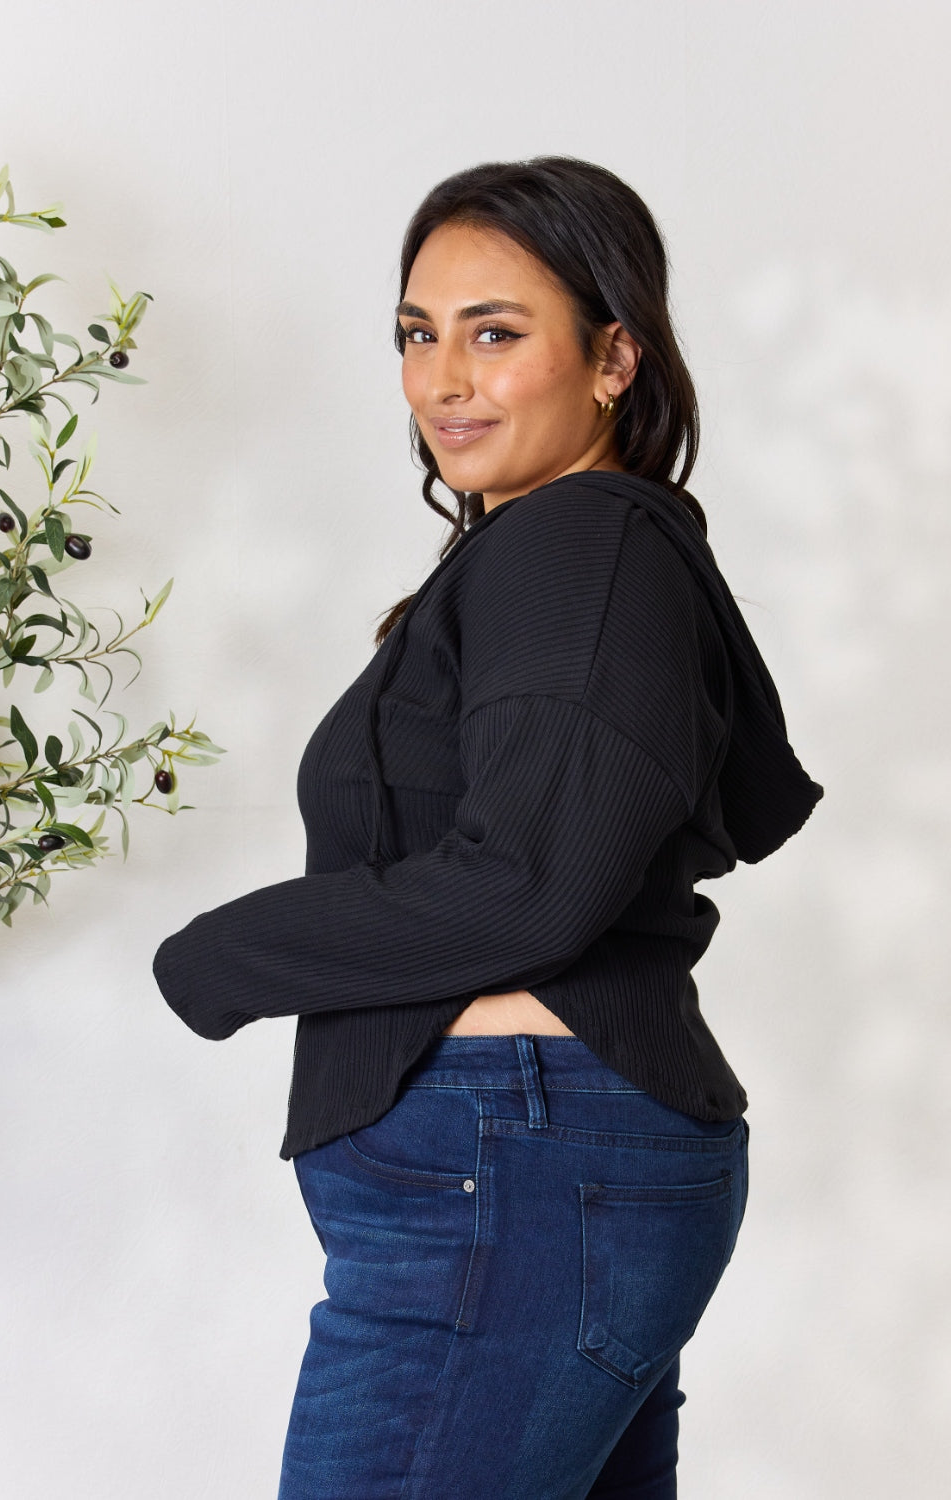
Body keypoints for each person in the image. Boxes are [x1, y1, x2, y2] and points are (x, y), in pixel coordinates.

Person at [152, 156, 824, 1499]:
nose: (444, 377)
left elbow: (529, 885)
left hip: (511, 1170)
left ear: (615, 356)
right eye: (418, 333)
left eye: (496, 333)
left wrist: (215, 959)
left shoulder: (580, 547)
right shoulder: (543, 553)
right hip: (527, 1175)